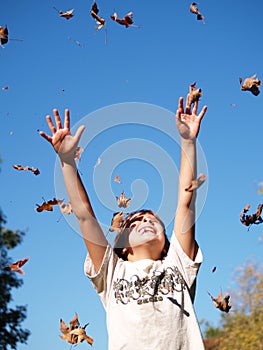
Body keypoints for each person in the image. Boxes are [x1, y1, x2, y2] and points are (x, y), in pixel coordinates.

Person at [39, 96, 208, 350]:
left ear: (165, 244)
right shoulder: (112, 272)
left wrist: (188, 142)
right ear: (123, 245)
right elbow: (85, 215)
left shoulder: (177, 263)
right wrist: (67, 162)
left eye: (152, 219)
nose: (145, 221)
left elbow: (186, 201)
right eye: (136, 221)